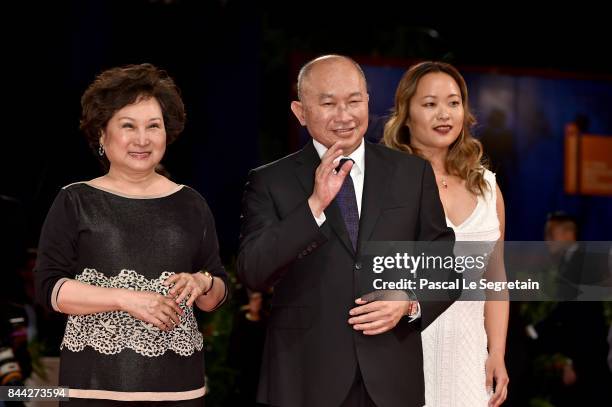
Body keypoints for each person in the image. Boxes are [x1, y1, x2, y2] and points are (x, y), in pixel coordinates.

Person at [237, 55, 455, 407]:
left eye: (354, 101)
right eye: (328, 103)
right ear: (300, 111)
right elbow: (254, 271)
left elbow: (445, 266)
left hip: (391, 378)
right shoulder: (270, 181)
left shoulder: (412, 174)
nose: (344, 115)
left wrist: (409, 300)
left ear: (368, 100)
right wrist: (313, 206)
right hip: (304, 377)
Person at [34, 63, 228, 406]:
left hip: (182, 391)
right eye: (128, 126)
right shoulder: (75, 200)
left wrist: (203, 283)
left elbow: (216, 293)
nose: (142, 139)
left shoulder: (191, 204)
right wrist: (126, 299)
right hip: (93, 389)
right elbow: (50, 289)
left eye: (153, 126)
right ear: (102, 135)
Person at [382, 61, 509, 406]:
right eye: (429, 104)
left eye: (453, 103)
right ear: (406, 114)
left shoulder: (487, 187)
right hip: (403, 351)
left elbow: (494, 277)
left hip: (470, 359)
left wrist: (496, 353)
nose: (444, 114)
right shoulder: (384, 184)